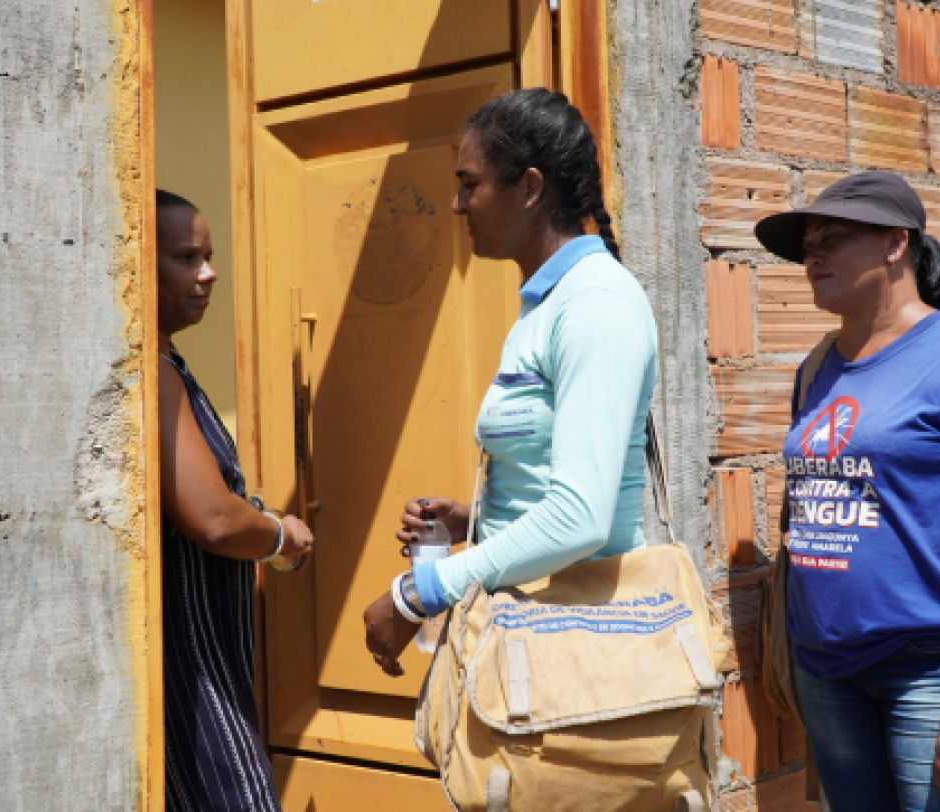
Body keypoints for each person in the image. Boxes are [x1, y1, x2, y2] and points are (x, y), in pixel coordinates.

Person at [753, 171, 940, 811]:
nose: (813, 255)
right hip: (828, 675)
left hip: (936, 674)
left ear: (896, 243)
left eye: (833, 238)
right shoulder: (815, 370)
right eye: (809, 243)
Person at [362, 89, 657, 678]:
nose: (456, 203)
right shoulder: (545, 304)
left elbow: (580, 517)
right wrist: (475, 519)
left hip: (584, 648)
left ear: (528, 188)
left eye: (470, 184)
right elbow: (558, 484)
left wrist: (418, 594)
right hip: (533, 632)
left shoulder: (595, 304)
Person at [155, 190, 314, 811]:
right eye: (186, 256)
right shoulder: (156, 373)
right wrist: (279, 535)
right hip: (195, 677)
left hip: (211, 661)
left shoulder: (173, 365)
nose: (208, 272)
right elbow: (216, 521)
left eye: (209, 255)